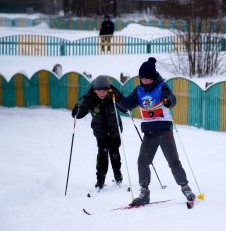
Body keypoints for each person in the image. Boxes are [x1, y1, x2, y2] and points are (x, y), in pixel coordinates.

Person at [110, 57, 196, 206]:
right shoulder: (139, 90)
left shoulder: (162, 87)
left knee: (173, 161)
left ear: (153, 77)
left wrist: (169, 101)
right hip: (149, 133)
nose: (145, 81)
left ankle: (186, 188)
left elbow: (171, 98)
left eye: (148, 79)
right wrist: (118, 97)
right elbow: (127, 104)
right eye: (142, 78)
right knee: (142, 161)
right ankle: (144, 192)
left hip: (164, 130)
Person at [71, 75, 125, 190]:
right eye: (99, 91)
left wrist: (117, 97)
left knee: (115, 155)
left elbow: (124, 108)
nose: (102, 93)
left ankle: (118, 176)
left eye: (104, 90)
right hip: (100, 133)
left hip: (114, 131)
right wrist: (76, 112)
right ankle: (100, 180)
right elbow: (82, 112)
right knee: (102, 156)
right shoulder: (91, 98)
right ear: (95, 90)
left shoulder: (112, 96)